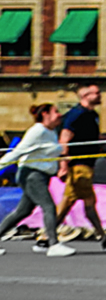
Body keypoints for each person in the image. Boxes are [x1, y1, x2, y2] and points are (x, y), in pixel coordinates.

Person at [0, 104, 75, 256]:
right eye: (56, 111)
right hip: (32, 175)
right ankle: (53, 245)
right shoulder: (37, 130)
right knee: (49, 206)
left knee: (22, 211)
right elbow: (19, 151)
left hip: (42, 175)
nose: (59, 115)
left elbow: (49, 152)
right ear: (45, 114)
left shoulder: (51, 132)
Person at [57, 84, 106, 252]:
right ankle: (104, 237)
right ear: (85, 96)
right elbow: (64, 139)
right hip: (78, 166)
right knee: (89, 202)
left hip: (86, 164)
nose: (100, 95)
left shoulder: (92, 115)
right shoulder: (76, 115)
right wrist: (63, 165)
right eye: (96, 93)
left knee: (68, 203)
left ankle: (45, 236)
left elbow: (96, 141)